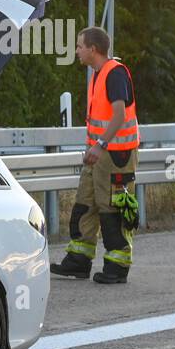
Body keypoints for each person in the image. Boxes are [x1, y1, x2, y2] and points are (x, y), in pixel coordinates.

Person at [51, 26, 140, 284]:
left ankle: (117, 266)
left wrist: (100, 144)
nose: (77, 50)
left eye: (80, 46)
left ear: (93, 49)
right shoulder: (98, 75)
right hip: (99, 155)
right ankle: (78, 261)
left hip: (115, 155)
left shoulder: (115, 74)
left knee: (112, 208)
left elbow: (120, 114)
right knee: (85, 204)